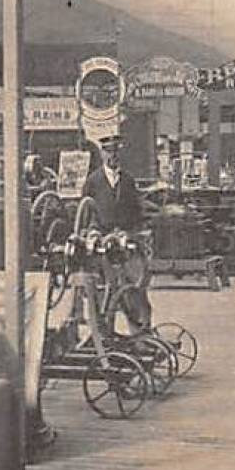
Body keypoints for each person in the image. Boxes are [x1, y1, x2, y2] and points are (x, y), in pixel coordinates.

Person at [81, 134, 151, 327]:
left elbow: (138, 212)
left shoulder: (128, 181)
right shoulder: (93, 181)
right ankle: (105, 337)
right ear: (102, 154)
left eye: (116, 151)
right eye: (108, 152)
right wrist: (94, 233)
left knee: (135, 290)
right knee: (104, 295)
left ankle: (141, 337)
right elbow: (87, 213)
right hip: (102, 244)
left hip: (125, 242)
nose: (113, 156)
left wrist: (131, 233)